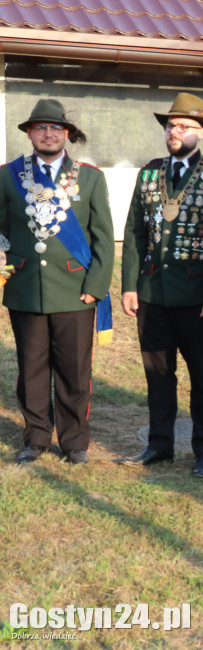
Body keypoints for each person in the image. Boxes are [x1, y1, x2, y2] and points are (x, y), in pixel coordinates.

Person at [118, 93, 203, 477]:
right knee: (157, 375)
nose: (174, 132)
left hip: (198, 297)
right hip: (152, 293)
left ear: (202, 133)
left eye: (183, 126)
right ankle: (159, 445)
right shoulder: (149, 173)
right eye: (170, 126)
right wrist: (129, 284)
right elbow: (134, 232)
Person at [0, 98, 115, 465]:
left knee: (73, 370)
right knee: (31, 369)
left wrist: (95, 287)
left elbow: (102, 237)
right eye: (40, 128)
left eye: (55, 128)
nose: (48, 134)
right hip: (26, 287)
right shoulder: (7, 175)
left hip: (74, 290)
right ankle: (35, 439)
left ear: (66, 134)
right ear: (30, 133)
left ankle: (74, 441)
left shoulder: (91, 177)